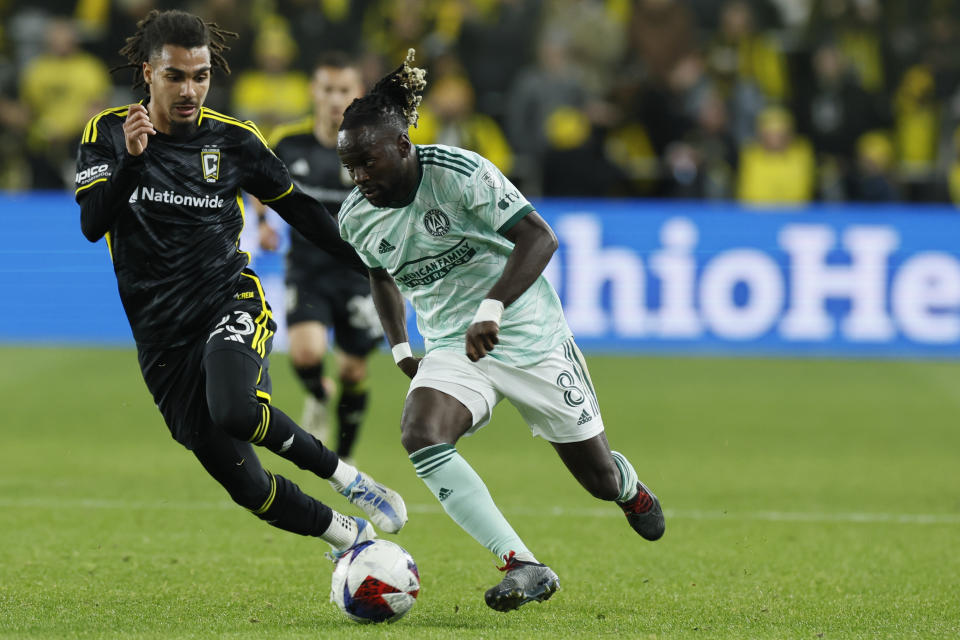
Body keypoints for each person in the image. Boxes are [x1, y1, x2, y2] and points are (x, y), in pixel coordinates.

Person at [336, 50, 665, 612]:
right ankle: (524, 564)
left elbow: (541, 237)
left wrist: (492, 306)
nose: (360, 177)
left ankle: (628, 487)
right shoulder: (355, 216)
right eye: (351, 168)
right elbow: (380, 274)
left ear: (402, 146)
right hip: (452, 345)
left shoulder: (460, 174)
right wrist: (398, 346)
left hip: (528, 334)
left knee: (598, 478)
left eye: (369, 162)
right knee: (420, 433)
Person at [74, 9, 406, 561]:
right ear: (147, 72)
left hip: (227, 301)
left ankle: (349, 478)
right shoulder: (109, 132)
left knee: (235, 407)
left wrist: (371, 264)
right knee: (248, 488)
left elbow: (302, 211)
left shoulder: (235, 141)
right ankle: (348, 537)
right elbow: (92, 226)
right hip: (160, 337)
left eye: (200, 75)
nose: (190, 89)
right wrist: (132, 162)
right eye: (176, 76)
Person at [255, 52, 383, 460]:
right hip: (307, 268)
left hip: (359, 272)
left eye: (343, 90)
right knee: (306, 354)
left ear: (356, 94)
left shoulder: (372, 149)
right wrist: (262, 223)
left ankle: (345, 455)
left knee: (352, 371)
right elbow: (258, 182)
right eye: (327, 89)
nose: (334, 99)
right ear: (314, 91)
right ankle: (316, 393)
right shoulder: (289, 144)